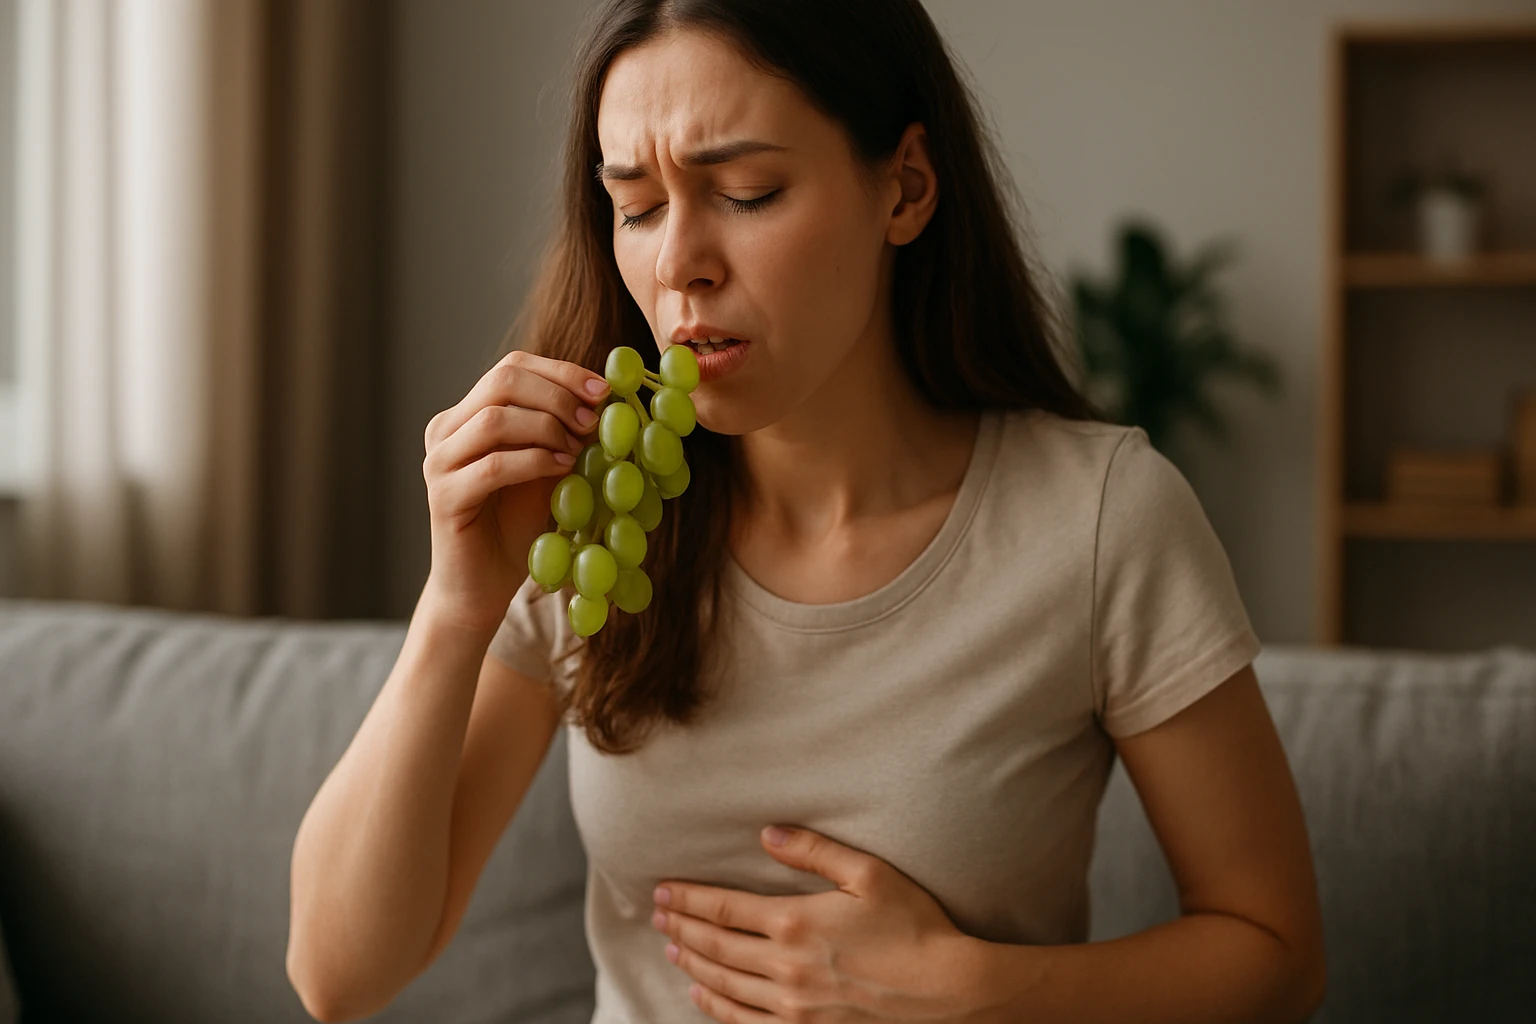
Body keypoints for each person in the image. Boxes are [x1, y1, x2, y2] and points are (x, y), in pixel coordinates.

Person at [287, 1, 1327, 1021]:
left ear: (907, 188)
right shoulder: (591, 514)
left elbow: (1277, 957)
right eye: (637, 207)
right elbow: (338, 976)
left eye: (745, 191)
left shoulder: (1102, 518)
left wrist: (976, 990)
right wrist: (455, 608)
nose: (679, 262)